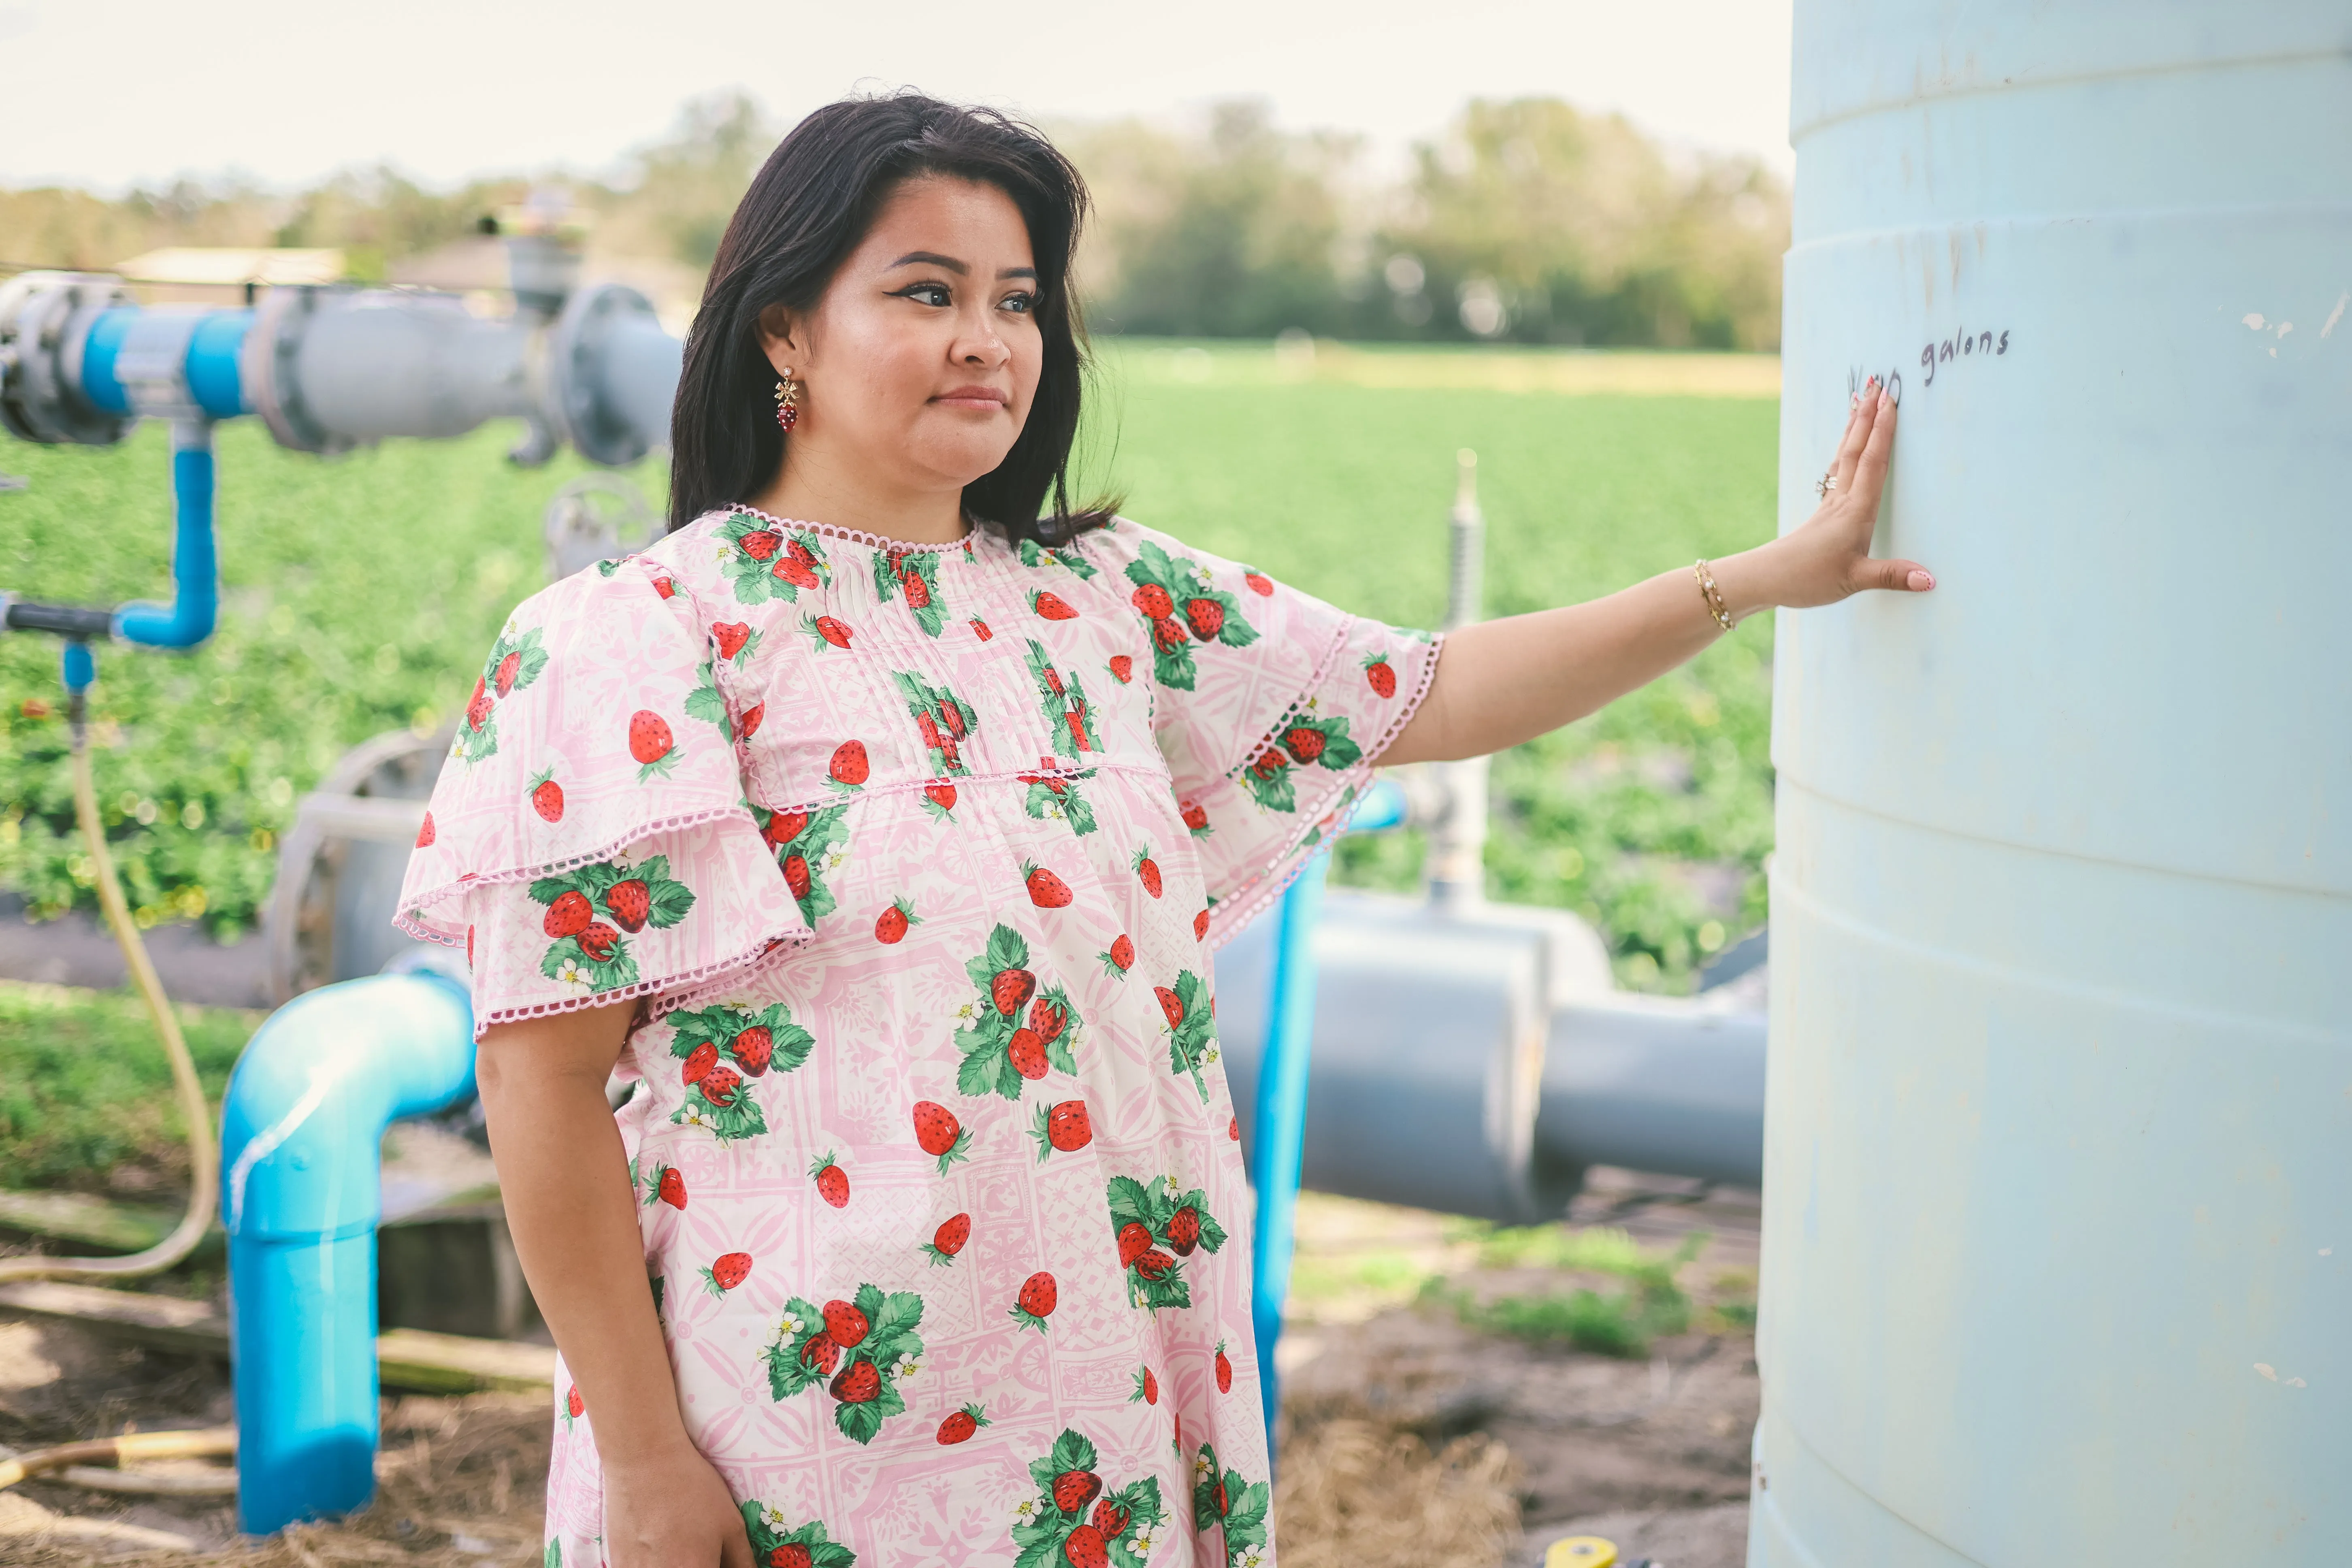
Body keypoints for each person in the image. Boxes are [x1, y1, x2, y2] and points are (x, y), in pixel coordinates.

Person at [394, 92, 1926, 1568]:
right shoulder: (646, 635)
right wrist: (650, 1460)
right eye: (927, 292)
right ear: (783, 327)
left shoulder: (1102, 600)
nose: (988, 340)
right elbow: (542, 1078)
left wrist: (1753, 583)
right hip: (807, 1422)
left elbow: (1432, 690)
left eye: (1017, 299)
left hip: (1106, 1399)